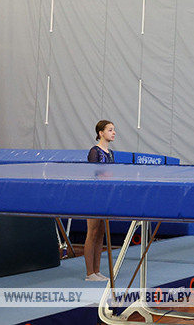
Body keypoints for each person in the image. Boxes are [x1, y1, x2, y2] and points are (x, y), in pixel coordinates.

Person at [84, 119, 115, 281]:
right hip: (94, 195)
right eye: (110, 130)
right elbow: (93, 175)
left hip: (105, 195)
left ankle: (97, 270)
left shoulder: (111, 154)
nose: (113, 132)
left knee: (101, 233)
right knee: (92, 232)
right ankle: (89, 273)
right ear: (100, 133)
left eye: (113, 130)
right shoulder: (94, 152)